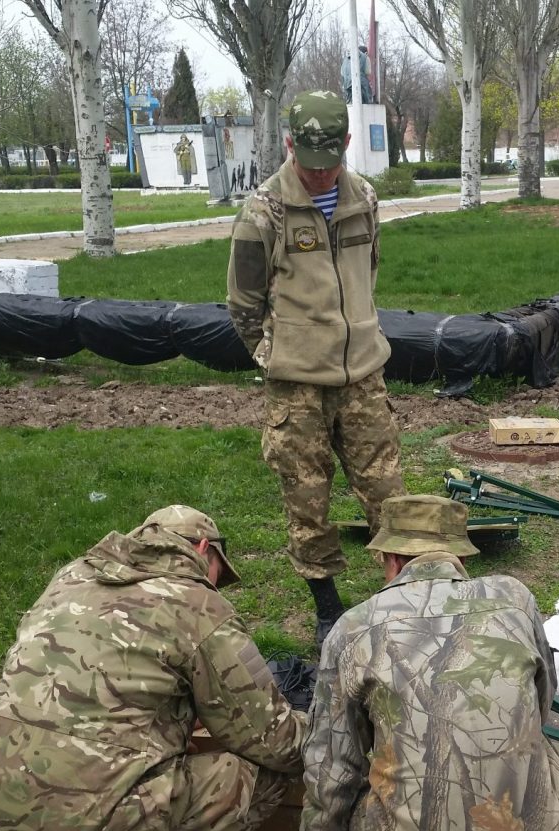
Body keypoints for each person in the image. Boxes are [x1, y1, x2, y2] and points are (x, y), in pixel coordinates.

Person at [0, 506, 308, 831]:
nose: (217, 585)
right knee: (262, 774)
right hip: (72, 827)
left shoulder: (70, 577)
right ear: (205, 549)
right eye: (220, 572)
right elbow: (273, 741)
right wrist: (324, 731)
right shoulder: (197, 604)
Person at [257, 495, 559, 831]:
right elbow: (542, 702)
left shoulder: (354, 628)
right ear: (460, 556)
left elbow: (331, 770)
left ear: (389, 558)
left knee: (369, 792)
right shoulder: (516, 599)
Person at [226, 89, 405, 647]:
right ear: (289, 145)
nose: (321, 174)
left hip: (363, 376)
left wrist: (358, 330)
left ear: (347, 144)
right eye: (310, 163)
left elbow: (368, 271)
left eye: (331, 162)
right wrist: (275, 356)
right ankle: (327, 607)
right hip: (297, 387)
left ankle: (404, 597)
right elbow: (243, 303)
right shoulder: (264, 212)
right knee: (308, 500)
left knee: (388, 492)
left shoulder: (364, 199)